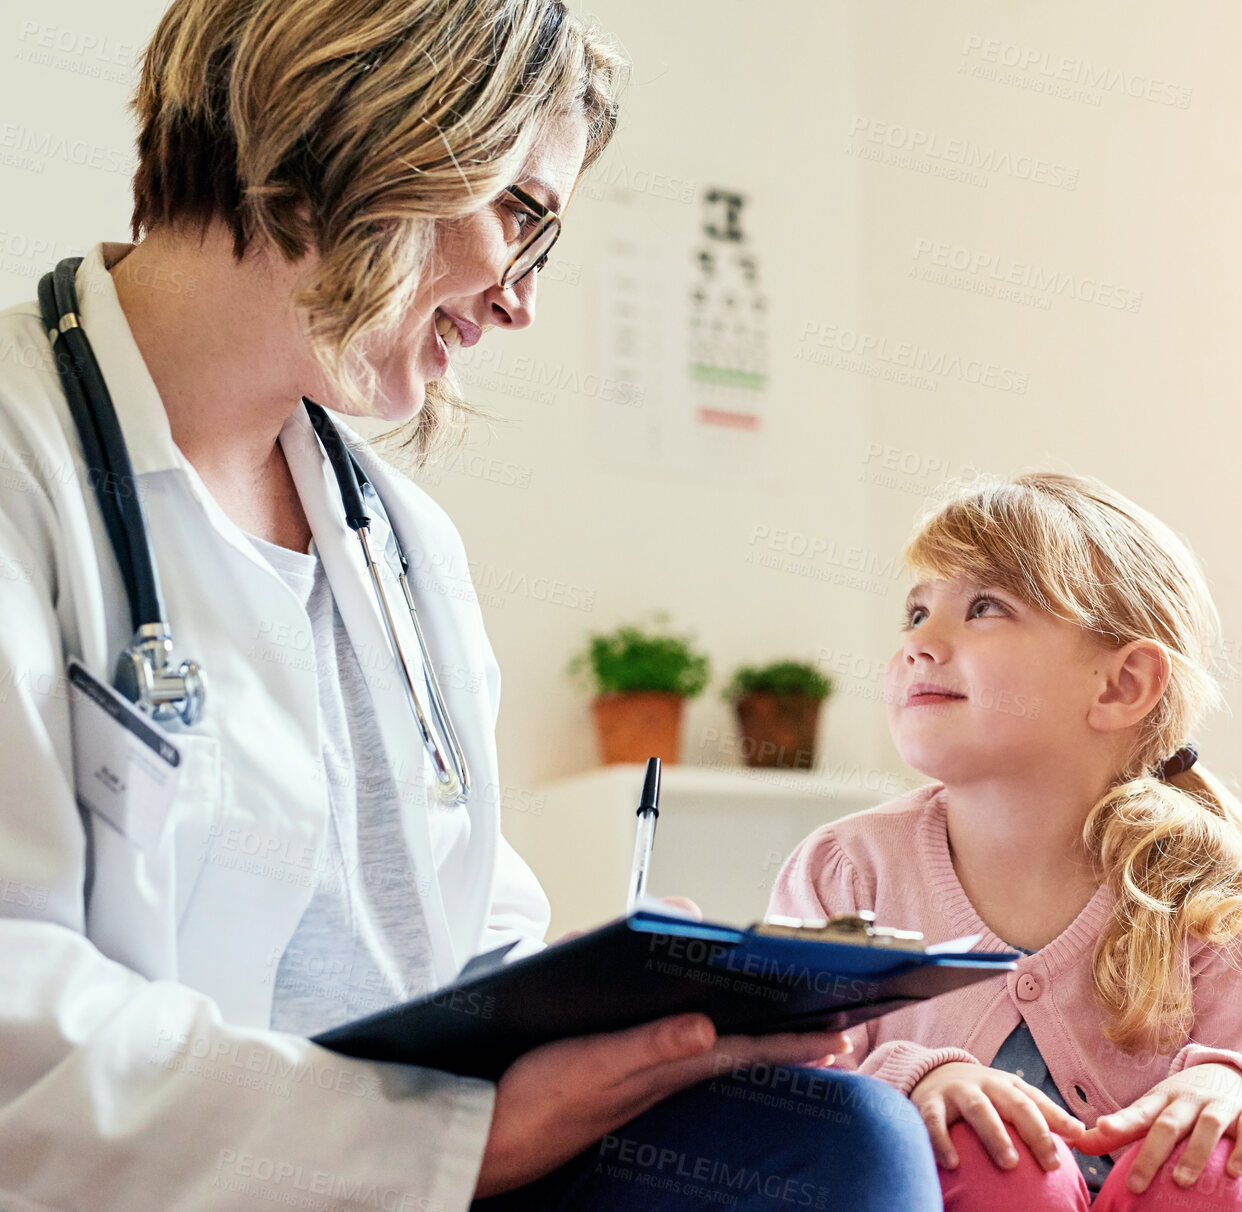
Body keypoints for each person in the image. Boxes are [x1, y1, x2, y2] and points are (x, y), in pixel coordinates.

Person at [0, 1, 938, 1207]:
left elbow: (460, 944)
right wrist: (452, 1146)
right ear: (370, 117)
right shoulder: (26, 463)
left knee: (829, 1143)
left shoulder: (401, 549)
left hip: (438, 1164)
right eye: (523, 215)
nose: (520, 304)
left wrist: (618, 1007)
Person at [769, 472, 1242, 1210]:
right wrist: (917, 1082)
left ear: (1121, 686)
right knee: (978, 1152)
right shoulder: (846, 870)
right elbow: (786, 1099)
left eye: (984, 607)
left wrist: (1234, 1089)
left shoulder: (1200, 886)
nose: (919, 644)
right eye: (916, 612)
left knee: (1208, 1170)